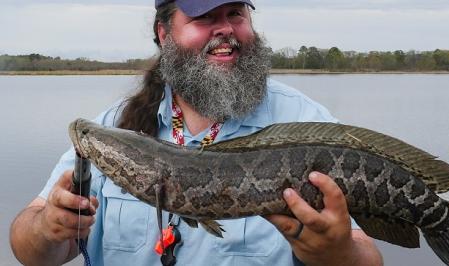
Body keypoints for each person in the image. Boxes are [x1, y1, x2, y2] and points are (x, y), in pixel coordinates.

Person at [10, 1, 383, 265]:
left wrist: (338, 255)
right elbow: (32, 251)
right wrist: (49, 228)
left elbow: (366, 256)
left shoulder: (307, 123)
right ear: (164, 33)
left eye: (235, 13)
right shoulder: (114, 127)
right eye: (204, 16)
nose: (225, 29)